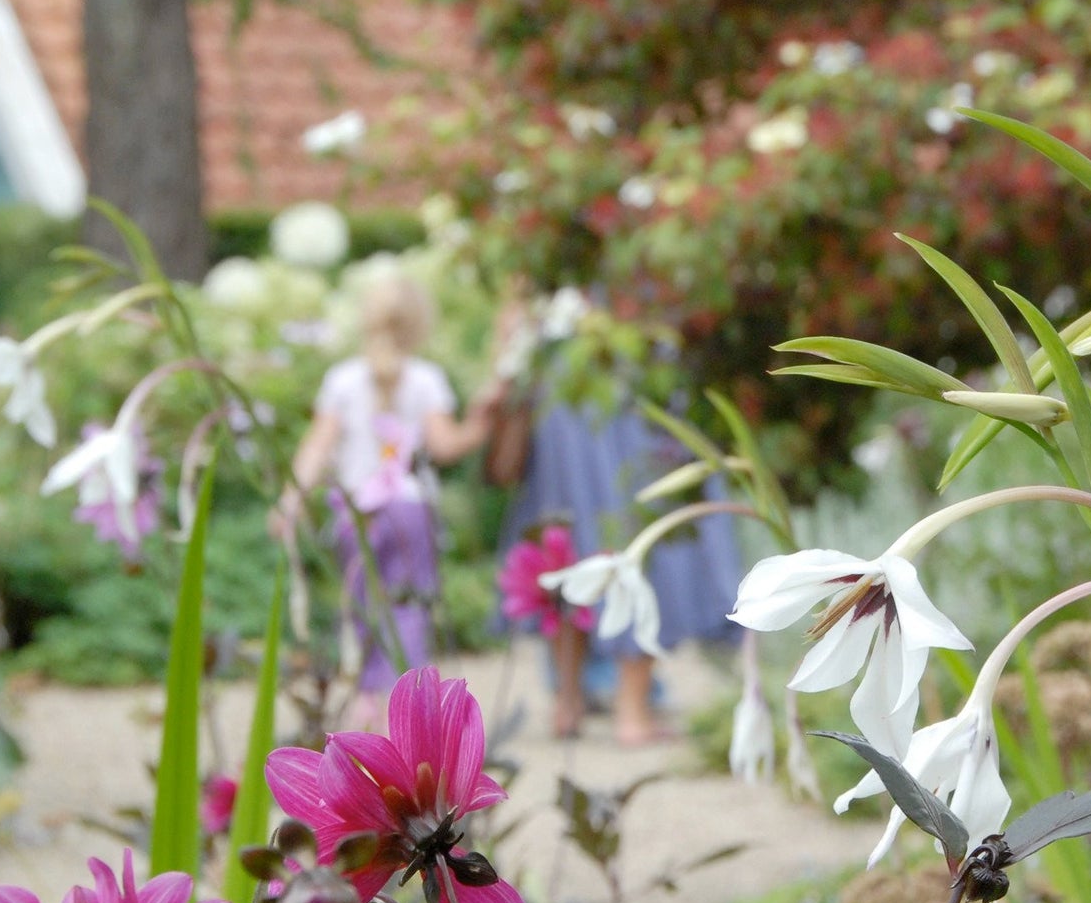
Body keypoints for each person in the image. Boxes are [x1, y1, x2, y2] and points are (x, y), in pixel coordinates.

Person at [495, 294, 741, 745]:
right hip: (622, 385)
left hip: (559, 397)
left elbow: (511, 333)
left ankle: (567, 703)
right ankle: (632, 709)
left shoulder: (542, 269)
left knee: (564, 543)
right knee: (638, 532)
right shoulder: (628, 261)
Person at [272, 272, 503, 729]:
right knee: (410, 607)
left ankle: (364, 703)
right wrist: (482, 421)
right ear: (419, 325)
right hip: (409, 511)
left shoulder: (342, 380)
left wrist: (288, 502)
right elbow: (444, 446)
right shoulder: (426, 379)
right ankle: (410, 711)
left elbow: (317, 448)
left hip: (355, 512)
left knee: (362, 604)